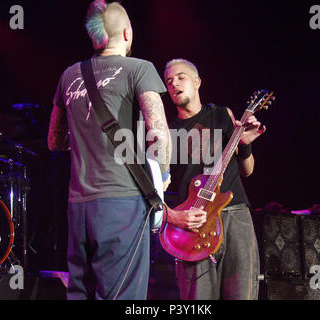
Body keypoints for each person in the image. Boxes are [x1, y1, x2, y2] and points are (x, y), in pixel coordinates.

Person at [47, 0, 171, 300]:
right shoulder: (139, 68)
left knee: (81, 293)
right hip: (122, 203)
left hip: (78, 205)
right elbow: (160, 135)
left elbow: (54, 141)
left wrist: (85, 139)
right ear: (127, 33)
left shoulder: (69, 75)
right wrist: (163, 177)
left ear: (95, 37)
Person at [162, 58, 265, 300]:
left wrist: (245, 147)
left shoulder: (222, 115)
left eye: (180, 77)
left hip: (235, 212)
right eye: (168, 81)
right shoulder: (166, 133)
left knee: (242, 293)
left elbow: (247, 170)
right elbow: (153, 187)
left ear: (197, 82)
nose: (174, 84)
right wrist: (174, 216)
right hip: (195, 223)